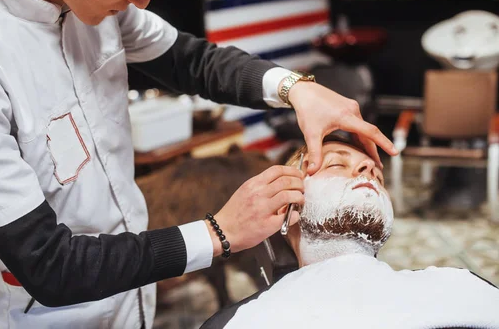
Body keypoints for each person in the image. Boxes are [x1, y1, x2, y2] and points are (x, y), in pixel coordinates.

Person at [0, 0, 397, 328]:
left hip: (136, 296)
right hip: (52, 315)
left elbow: (191, 60)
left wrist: (297, 89)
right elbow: (49, 265)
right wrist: (220, 233)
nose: (144, 0)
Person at [202, 135, 499, 329]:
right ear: (287, 208)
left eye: (376, 173)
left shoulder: (459, 286)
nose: (367, 170)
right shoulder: (243, 322)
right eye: (336, 164)